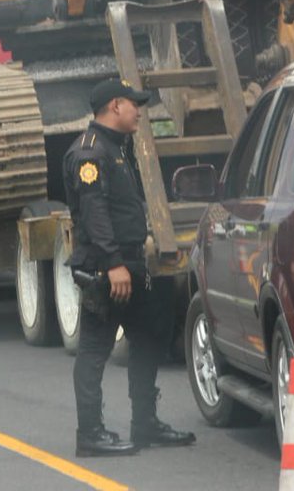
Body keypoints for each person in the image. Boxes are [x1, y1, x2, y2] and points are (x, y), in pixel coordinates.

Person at [63, 77, 196, 458]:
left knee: (151, 335)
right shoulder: (90, 154)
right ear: (114, 106)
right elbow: (95, 213)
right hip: (107, 268)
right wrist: (114, 263)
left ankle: (145, 424)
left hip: (131, 264)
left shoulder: (116, 148)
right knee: (94, 347)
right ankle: (90, 433)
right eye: (133, 104)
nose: (139, 110)